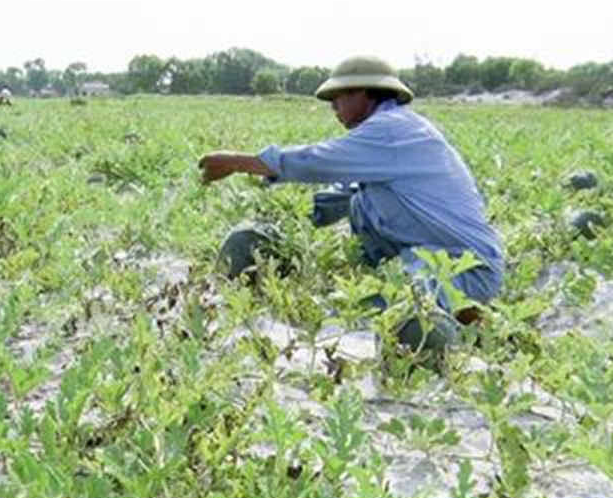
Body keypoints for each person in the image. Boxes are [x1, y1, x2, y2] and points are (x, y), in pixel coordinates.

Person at [198, 56, 504, 321]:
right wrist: (284, 230)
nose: (332, 106)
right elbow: (338, 197)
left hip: (462, 270)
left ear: (364, 93)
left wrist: (236, 162)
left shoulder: (392, 130)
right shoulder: (383, 143)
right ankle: (453, 315)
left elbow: (314, 162)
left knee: (391, 317)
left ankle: (459, 322)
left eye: (338, 95)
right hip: (424, 261)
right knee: (359, 207)